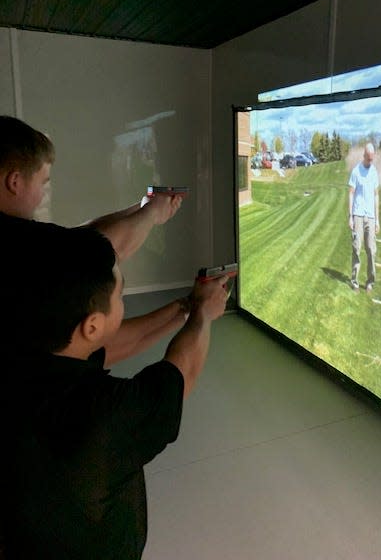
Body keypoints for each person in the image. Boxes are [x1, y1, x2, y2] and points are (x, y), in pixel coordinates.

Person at [1, 221, 229, 559]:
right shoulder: (105, 413)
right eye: (120, 295)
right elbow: (181, 373)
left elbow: (115, 342)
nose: (122, 302)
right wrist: (204, 317)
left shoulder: (24, 351)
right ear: (91, 325)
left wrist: (186, 307)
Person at [0, 114, 193, 364]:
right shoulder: (16, 239)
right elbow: (95, 254)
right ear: (15, 182)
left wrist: (144, 207)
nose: (41, 196)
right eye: (42, 183)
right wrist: (153, 213)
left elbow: (79, 240)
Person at [348, 143, 380, 292]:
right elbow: (351, 194)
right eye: (368, 158)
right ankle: (354, 280)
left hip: (371, 217)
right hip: (358, 215)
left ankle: (370, 281)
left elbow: (376, 195)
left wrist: (377, 220)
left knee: (371, 250)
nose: (370, 161)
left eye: (372, 159)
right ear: (364, 156)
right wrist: (350, 217)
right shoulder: (356, 171)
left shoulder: (374, 172)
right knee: (357, 248)